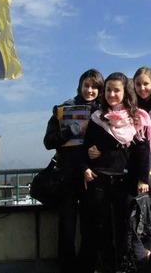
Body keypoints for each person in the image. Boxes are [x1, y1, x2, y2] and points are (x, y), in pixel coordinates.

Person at [79, 72, 151, 273]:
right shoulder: (97, 118)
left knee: (126, 229)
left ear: (125, 92)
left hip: (126, 182)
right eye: (108, 90)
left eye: (116, 90)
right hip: (100, 181)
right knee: (101, 229)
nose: (112, 94)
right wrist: (86, 167)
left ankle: (126, 268)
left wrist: (143, 178)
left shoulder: (137, 118)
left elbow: (142, 150)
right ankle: (106, 268)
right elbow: (85, 147)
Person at [42, 68, 103, 273]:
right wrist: (75, 129)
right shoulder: (63, 109)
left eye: (95, 86)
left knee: (91, 228)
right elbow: (49, 142)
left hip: (92, 178)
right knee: (67, 229)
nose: (90, 90)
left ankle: (87, 267)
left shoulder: (105, 111)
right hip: (67, 178)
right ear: (80, 86)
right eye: (86, 85)